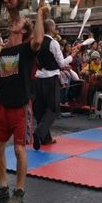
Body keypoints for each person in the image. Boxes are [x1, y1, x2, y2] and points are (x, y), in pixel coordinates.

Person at [0, 5, 46, 203]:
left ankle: (19, 190)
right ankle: (2, 186)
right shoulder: (2, 49)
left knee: (19, 149)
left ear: (24, 29)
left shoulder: (27, 48)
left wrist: (38, 14)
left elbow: (38, 40)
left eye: (17, 21)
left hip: (20, 108)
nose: (12, 21)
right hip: (2, 106)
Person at [32, 19, 77, 150]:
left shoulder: (36, 42)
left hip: (38, 78)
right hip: (50, 78)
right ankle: (39, 133)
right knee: (53, 108)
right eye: (55, 27)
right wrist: (72, 56)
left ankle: (46, 139)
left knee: (40, 109)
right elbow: (62, 63)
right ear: (51, 28)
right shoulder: (53, 42)